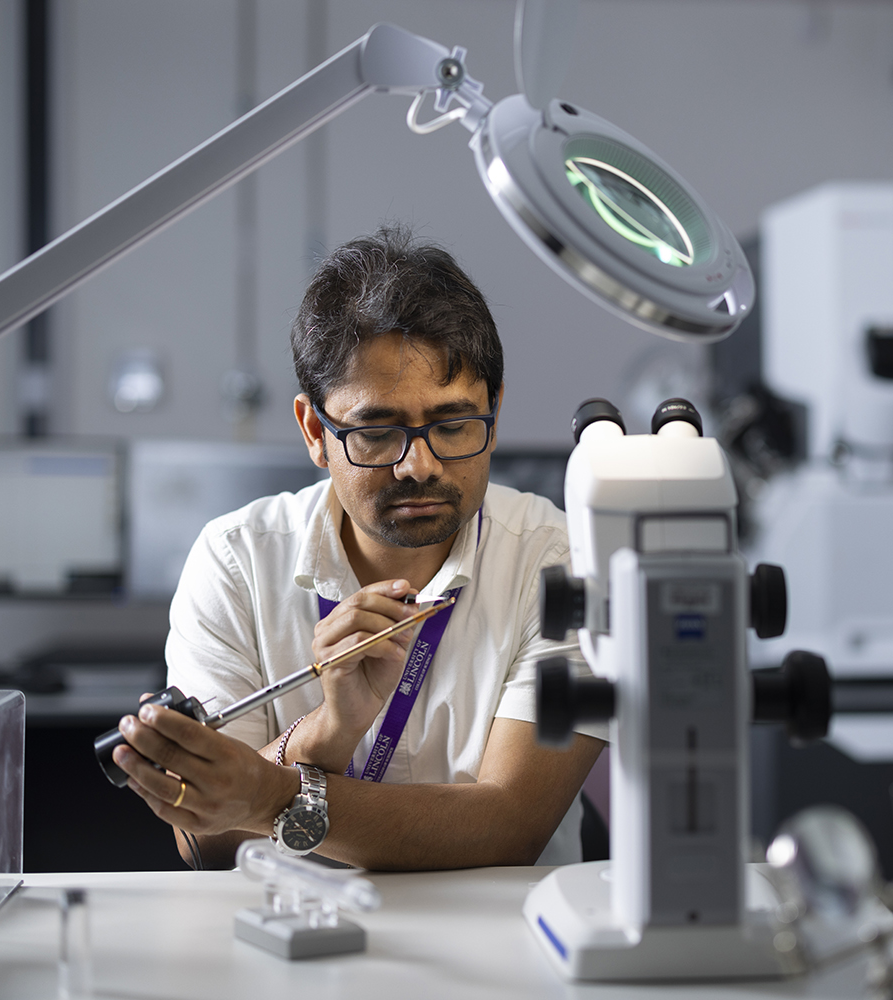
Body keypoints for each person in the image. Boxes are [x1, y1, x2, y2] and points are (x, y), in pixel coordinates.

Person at [110, 225, 606, 870]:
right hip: (287, 931)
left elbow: (509, 828)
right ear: (315, 431)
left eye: (453, 424)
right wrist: (330, 728)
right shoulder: (236, 559)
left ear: (496, 409)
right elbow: (205, 842)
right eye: (377, 431)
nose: (418, 465)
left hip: (505, 934)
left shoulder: (560, 563)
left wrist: (272, 793)